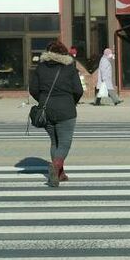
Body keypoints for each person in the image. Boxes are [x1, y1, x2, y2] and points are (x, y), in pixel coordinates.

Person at [30, 41, 84, 187]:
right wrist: (72, 102)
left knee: (55, 142)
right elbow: (78, 90)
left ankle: (60, 174)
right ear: (64, 53)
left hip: (46, 110)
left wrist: (42, 101)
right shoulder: (69, 68)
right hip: (66, 110)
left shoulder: (40, 68)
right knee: (65, 143)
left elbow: (33, 89)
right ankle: (55, 167)